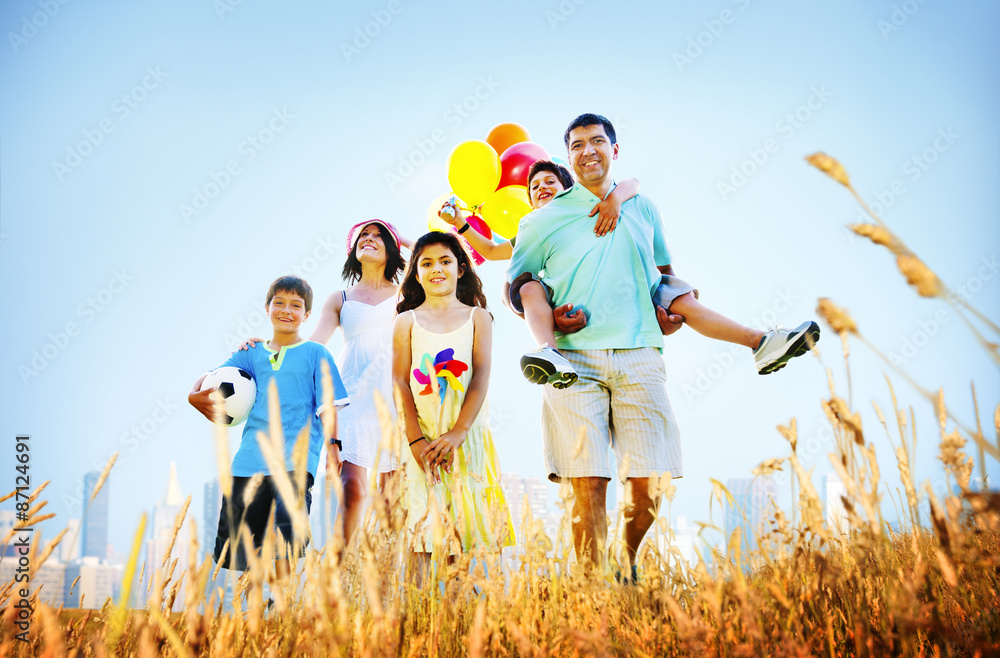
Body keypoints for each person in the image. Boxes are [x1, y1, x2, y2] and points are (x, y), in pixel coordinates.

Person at [503, 113, 819, 578]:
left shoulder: (643, 207)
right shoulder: (541, 221)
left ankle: (623, 560)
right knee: (587, 483)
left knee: (649, 483)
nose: (588, 151)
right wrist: (549, 321)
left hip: (640, 352)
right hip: (571, 360)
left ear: (614, 149)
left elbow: (665, 275)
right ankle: (594, 593)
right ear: (567, 155)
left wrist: (670, 316)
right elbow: (519, 286)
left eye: (597, 142)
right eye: (577, 145)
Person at [241, 220, 410, 550]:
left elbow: (442, 253)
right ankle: (337, 582)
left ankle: (385, 589)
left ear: (392, 247)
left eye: (379, 236)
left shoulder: (407, 293)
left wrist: (403, 238)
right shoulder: (341, 298)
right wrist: (269, 348)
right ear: (353, 249)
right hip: (351, 399)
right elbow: (312, 346)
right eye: (364, 235)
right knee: (353, 490)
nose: (370, 239)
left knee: (392, 501)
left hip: (396, 402)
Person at [189, 275, 349, 589]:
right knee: (243, 547)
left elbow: (328, 405)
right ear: (267, 308)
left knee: (286, 539)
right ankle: (250, 613)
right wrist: (193, 394)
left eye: (296, 305)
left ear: (306, 315)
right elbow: (214, 378)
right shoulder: (251, 353)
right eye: (279, 302)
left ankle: (281, 604)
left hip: (295, 462)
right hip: (249, 462)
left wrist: (333, 448)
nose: (286, 310)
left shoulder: (316, 353)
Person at [439, 165, 640, 388]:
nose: (542, 187)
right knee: (527, 287)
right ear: (532, 204)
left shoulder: (589, 208)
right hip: (558, 302)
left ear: (569, 190)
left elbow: (633, 182)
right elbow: (492, 251)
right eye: (535, 186)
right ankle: (550, 352)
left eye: (550, 181)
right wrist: (459, 222)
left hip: (612, 315)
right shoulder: (533, 230)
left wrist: (615, 199)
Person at [391, 231, 514, 580]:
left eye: (445, 261)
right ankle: (419, 622)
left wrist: (459, 432)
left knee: (469, 538)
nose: (436, 269)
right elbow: (400, 381)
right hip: (423, 444)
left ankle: (469, 621)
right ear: (416, 273)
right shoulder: (406, 321)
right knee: (423, 537)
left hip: (467, 441)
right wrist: (415, 441)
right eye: (426, 263)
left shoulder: (478, 317)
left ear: (461, 269)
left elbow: (481, 374)